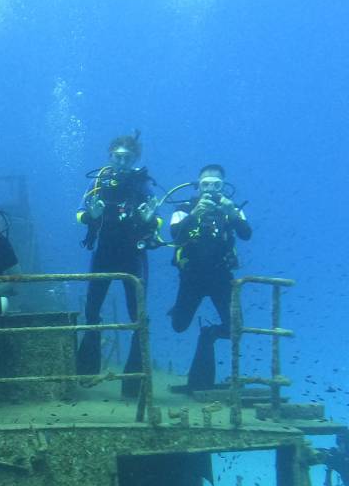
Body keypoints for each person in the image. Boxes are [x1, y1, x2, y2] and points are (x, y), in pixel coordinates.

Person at [75, 132, 160, 396]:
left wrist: (148, 219)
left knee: (137, 316)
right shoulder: (98, 182)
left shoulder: (142, 184)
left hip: (133, 255)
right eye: (117, 156)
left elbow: (156, 221)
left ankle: (133, 382)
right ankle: (87, 370)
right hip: (104, 254)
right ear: (109, 156)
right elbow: (79, 214)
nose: (122, 162)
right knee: (92, 309)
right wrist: (92, 215)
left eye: (127, 157)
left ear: (136, 159)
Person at [168, 164, 252, 391]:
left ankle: (210, 334)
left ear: (224, 187)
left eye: (217, 184)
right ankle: (179, 312)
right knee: (178, 326)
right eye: (206, 184)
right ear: (198, 185)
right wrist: (194, 215)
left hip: (221, 277)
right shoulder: (184, 208)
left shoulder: (231, 209)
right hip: (191, 277)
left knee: (237, 329)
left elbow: (246, 234)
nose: (211, 189)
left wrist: (232, 212)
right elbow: (174, 235)